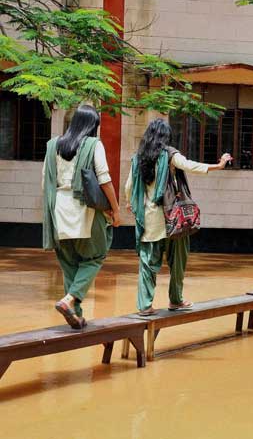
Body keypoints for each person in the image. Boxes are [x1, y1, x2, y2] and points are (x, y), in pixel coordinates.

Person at [125, 118, 231, 316]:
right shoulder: (169, 154)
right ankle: (176, 300)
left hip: (149, 219)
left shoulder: (138, 158)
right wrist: (218, 166)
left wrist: (130, 203)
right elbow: (189, 165)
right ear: (165, 137)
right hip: (172, 218)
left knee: (147, 264)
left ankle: (145, 306)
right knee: (178, 261)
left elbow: (128, 187)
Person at [43, 105, 121, 329]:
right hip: (82, 208)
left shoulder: (52, 146)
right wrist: (115, 210)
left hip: (57, 208)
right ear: (92, 125)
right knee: (96, 255)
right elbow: (104, 179)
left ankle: (75, 314)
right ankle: (69, 300)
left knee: (69, 262)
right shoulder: (93, 144)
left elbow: (44, 182)